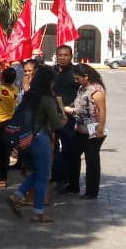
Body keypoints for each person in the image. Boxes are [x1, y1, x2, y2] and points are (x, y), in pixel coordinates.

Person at [8, 66, 68, 222]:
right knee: (43, 175)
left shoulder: (29, 96)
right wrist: (63, 117)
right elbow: (56, 123)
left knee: (37, 172)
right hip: (41, 139)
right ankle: (38, 212)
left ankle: (18, 195)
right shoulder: (47, 99)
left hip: (26, 139)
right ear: (49, 81)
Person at [65, 64, 108, 199]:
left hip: (93, 130)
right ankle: (73, 186)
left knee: (91, 161)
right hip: (79, 128)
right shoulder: (82, 88)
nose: (76, 81)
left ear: (86, 77)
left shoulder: (96, 91)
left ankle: (91, 191)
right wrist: (71, 109)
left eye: (78, 78)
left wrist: (100, 129)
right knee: (72, 155)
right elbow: (79, 106)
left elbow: (102, 111)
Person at [50, 45, 81, 191]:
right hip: (52, 115)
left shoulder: (76, 72)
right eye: (60, 55)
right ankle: (57, 176)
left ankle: (72, 183)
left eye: (65, 55)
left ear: (71, 56)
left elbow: (83, 92)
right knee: (52, 148)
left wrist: (73, 107)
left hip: (69, 117)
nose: (62, 57)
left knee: (70, 149)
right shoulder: (51, 71)